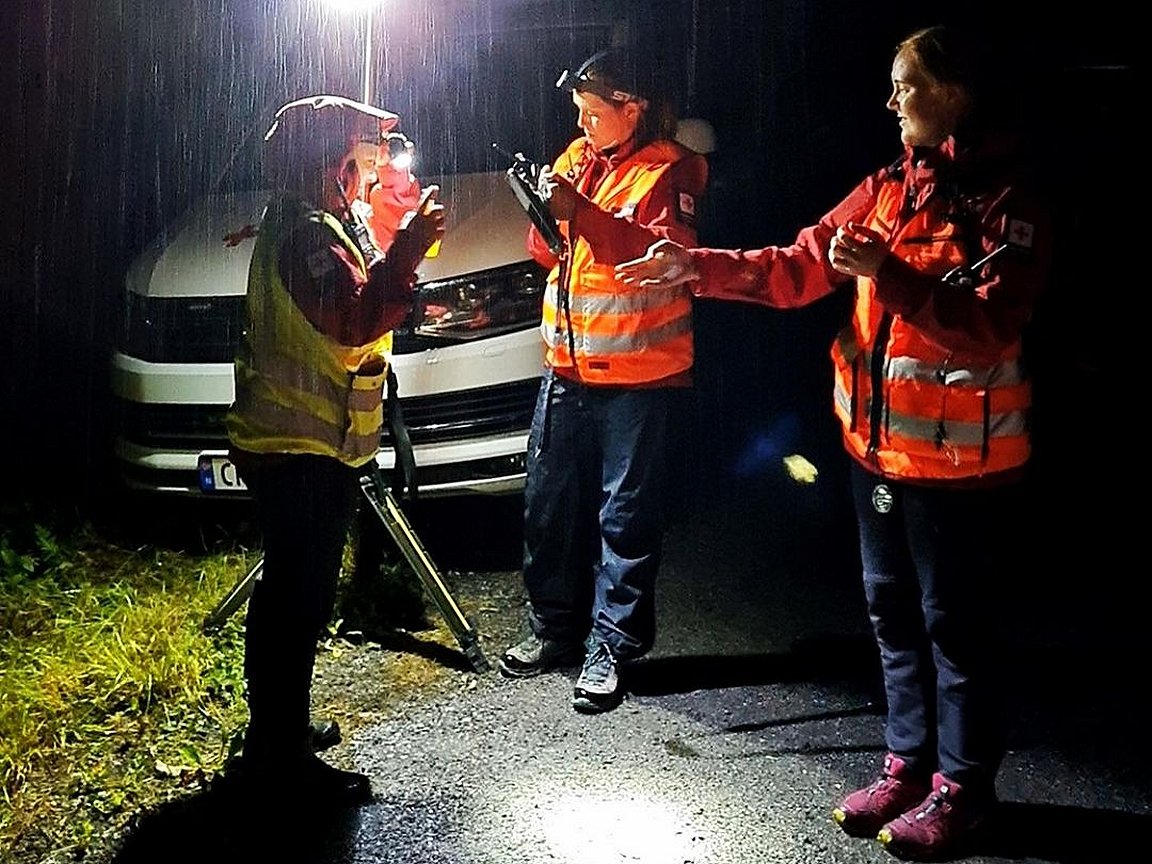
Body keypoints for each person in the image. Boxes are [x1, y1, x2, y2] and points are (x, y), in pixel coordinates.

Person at [615, 24, 1051, 860]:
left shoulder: (1008, 202)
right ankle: (906, 766)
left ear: (955, 93)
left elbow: (991, 323)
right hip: (875, 455)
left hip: (965, 468)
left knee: (955, 629)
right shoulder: (888, 188)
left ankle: (964, 790)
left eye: (907, 86)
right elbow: (798, 266)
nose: (891, 103)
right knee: (891, 616)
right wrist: (694, 266)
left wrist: (885, 272)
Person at [222, 94, 445, 803]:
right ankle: (278, 760)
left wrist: (399, 241)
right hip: (300, 450)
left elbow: (363, 287)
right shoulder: (307, 237)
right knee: (296, 601)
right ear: (331, 163)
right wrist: (407, 251)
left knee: (293, 596)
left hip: (306, 447)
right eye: (359, 154)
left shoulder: (314, 223)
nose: (368, 168)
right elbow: (353, 319)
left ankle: (277, 731)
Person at [496, 48, 708, 714]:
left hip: (641, 376)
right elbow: (548, 249)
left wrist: (577, 212)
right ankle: (555, 628)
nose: (583, 124)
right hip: (567, 366)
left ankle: (612, 644)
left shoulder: (675, 169)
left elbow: (656, 256)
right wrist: (543, 208)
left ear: (633, 108)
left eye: (595, 112)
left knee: (626, 517)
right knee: (549, 505)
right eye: (578, 113)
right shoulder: (576, 158)